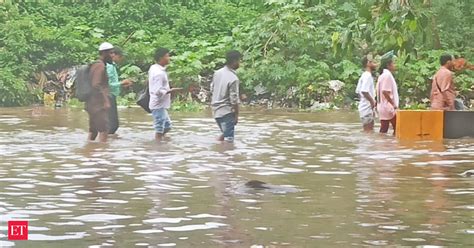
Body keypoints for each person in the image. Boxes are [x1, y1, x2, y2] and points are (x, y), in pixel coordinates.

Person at [148, 48, 182, 141]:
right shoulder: (159, 73)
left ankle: (161, 143)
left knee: (167, 126)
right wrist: (170, 91)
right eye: (167, 56)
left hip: (160, 104)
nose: (169, 58)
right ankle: (158, 146)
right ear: (161, 58)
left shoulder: (154, 68)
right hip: (158, 104)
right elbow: (157, 90)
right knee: (160, 128)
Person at [211, 50, 242, 142]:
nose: (239, 63)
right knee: (229, 141)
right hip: (226, 112)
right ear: (234, 61)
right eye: (239, 61)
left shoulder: (217, 73)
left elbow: (212, 89)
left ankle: (216, 149)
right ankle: (222, 154)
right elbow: (234, 100)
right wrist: (236, 115)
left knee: (224, 135)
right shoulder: (233, 79)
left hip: (216, 111)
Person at [106, 47, 133, 135]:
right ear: (114, 55)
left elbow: (112, 83)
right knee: (112, 125)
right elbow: (107, 84)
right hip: (108, 96)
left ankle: (106, 143)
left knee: (112, 125)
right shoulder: (109, 67)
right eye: (120, 56)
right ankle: (105, 143)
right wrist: (121, 83)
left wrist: (122, 85)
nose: (121, 59)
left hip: (111, 95)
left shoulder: (112, 66)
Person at [376, 55, 399, 135]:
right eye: (393, 63)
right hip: (388, 107)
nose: (395, 65)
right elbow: (385, 91)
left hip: (382, 107)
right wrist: (393, 104)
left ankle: (383, 145)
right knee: (398, 128)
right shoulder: (387, 75)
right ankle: (391, 145)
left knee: (383, 130)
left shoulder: (382, 75)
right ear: (388, 65)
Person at [355, 56, 377, 132]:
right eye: (374, 62)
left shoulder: (364, 75)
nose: (376, 65)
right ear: (368, 63)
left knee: (368, 131)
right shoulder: (367, 76)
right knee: (368, 131)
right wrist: (372, 102)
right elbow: (364, 91)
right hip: (367, 108)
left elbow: (358, 91)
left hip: (364, 107)